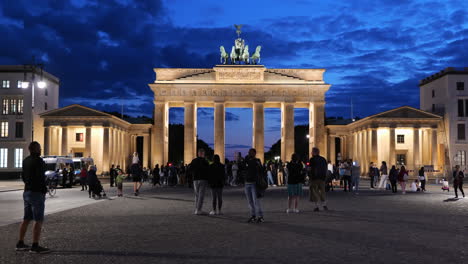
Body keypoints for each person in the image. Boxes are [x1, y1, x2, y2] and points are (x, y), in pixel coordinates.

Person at [16, 142, 50, 253]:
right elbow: (41, 178)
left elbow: (23, 176)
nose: (40, 150)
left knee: (26, 219)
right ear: (36, 149)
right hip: (36, 193)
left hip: (27, 192)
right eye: (39, 148)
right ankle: (35, 245)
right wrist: (44, 190)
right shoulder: (39, 161)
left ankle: (20, 243)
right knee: (38, 219)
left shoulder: (25, 161)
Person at [244, 148, 265, 223]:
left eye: (250, 152)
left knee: (256, 201)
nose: (249, 153)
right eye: (248, 152)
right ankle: (253, 215)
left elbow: (262, 170)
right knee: (250, 201)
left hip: (254, 183)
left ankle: (260, 216)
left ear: (254, 153)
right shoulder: (246, 160)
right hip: (247, 183)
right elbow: (242, 168)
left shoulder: (257, 161)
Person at [189, 148, 210, 215]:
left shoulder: (194, 160)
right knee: (201, 195)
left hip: (195, 179)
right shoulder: (205, 161)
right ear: (203, 154)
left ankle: (196, 209)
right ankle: (199, 210)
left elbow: (190, 169)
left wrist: (193, 174)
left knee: (197, 195)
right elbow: (208, 170)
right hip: (203, 179)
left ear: (198, 153)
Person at [308, 147, 329, 212]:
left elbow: (309, 169)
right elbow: (326, 169)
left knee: (314, 192)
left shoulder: (312, 159)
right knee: (322, 191)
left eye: (312, 151)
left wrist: (308, 175)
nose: (311, 153)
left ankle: (317, 206)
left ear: (314, 152)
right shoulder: (323, 159)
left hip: (314, 178)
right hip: (322, 178)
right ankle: (324, 204)